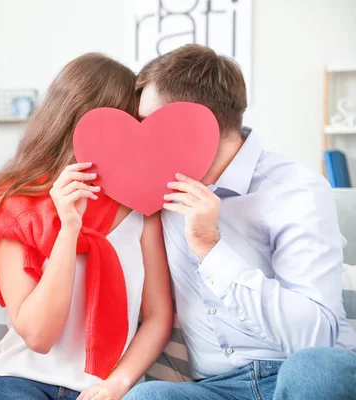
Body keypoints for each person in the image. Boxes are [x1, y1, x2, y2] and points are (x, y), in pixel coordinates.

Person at [124, 44, 356, 400]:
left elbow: (315, 337)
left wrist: (211, 249)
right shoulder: (156, 196)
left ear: (196, 126)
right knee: (148, 398)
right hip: (215, 389)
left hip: (296, 376)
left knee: (314, 371)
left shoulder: (296, 190)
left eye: (149, 125)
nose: (141, 140)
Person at [0, 53, 174, 400]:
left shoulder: (143, 208)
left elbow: (157, 316)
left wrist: (117, 383)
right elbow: (38, 335)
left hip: (107, 390)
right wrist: (67, 229)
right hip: (20, 381)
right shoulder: (13, 200)